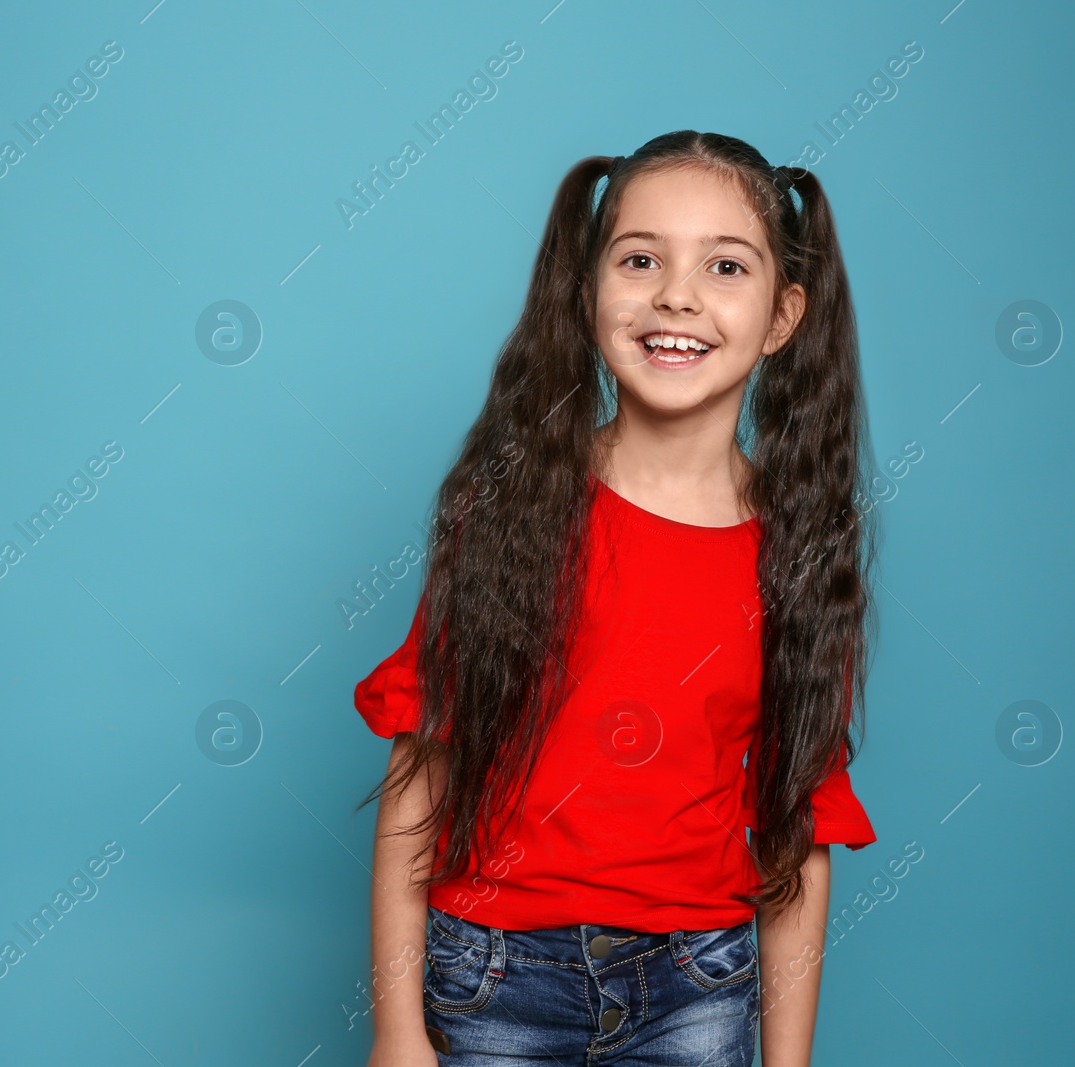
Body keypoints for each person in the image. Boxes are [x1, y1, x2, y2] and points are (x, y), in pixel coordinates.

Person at [353, 129, 879, 1066]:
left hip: (700, 986)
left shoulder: (797, 550)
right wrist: (398, 1030)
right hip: (494, 978)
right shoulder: (512, 504)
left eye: (726, 266)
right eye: (641, 259)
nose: (677, 294)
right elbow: (419, 772)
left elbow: (800, 838)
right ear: (591, 291)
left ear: (782, 316)